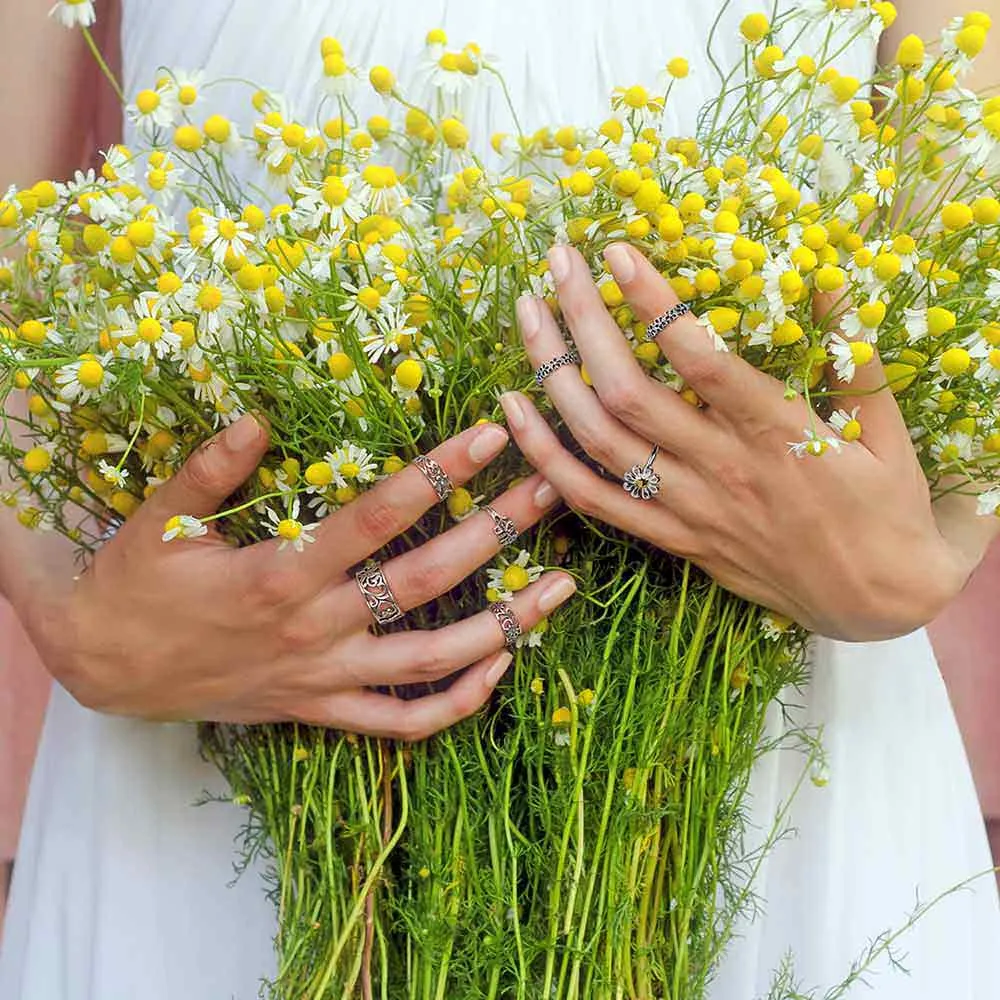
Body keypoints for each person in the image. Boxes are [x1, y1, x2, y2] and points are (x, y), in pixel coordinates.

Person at [0, 0, 998, 997]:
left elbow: (974, 268)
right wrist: (61, 612)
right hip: (224, 702)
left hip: (770, 700)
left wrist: (931, 553)